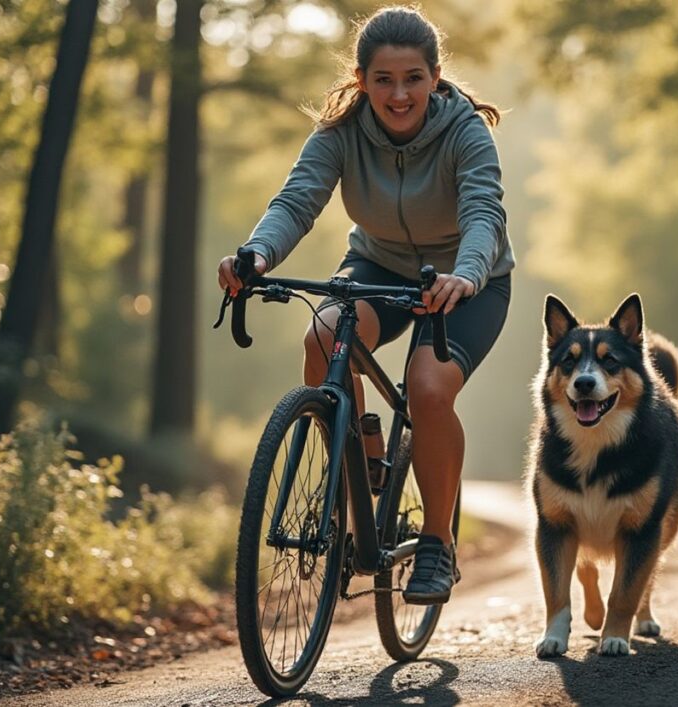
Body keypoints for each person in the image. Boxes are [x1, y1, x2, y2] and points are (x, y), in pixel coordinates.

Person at [217, 5, 514, 605]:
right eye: (383, 79)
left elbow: (484, 212)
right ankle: (361, 479)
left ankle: (436, 542)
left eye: (412, 79)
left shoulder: (464, 132)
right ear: (362, 81)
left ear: (435, 77)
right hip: (378, 265)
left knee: (428, 389)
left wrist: (466, 274)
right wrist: (255, 256)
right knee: (321, 341)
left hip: (463, 279)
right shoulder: (341, 131)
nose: (398, 94)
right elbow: (297, 201)